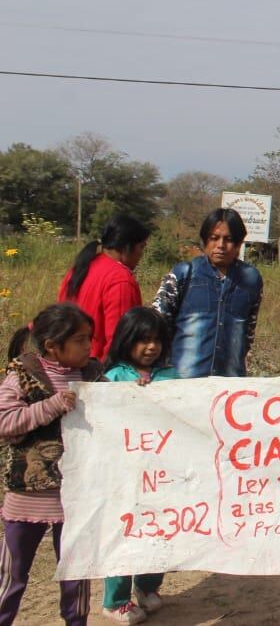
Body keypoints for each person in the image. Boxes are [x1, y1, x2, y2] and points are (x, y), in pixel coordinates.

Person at [0, 303, 100, 626]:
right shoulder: (22, 376)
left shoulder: (93, 376)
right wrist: (51, 406)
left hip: (77, 499)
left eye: (89, 338)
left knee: (76, 574)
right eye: (80, 340)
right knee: (12, 574)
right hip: (28, 497)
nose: (88, 346)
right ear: (52, 346)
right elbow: (5, 422)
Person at [98, 308, 177, 623]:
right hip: (123, 475)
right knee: (124, 532)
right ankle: (115, 600)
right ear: (126, 340)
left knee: (160, 530)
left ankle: (148, 586)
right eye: (143, 340)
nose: (151, 347)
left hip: (162, 474)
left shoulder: (172, 377)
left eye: (157, 340)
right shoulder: (112, 378)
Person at [152, 208, 263, 378]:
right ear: (204, 241)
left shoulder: (251, 279)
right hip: (182, 380)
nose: (221, 245)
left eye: (228, 239)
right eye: (214, 238)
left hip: (229, 383)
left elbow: (248, 333)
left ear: (239, 244)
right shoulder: (184, 273)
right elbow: (155, 325)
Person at [58, 214, 150, 361]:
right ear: (126, 247)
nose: (141, 254)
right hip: (96, 367)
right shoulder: (120, 279)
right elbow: (119, 340)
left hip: (68, 361)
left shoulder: (80, 268)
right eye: (141, 247)